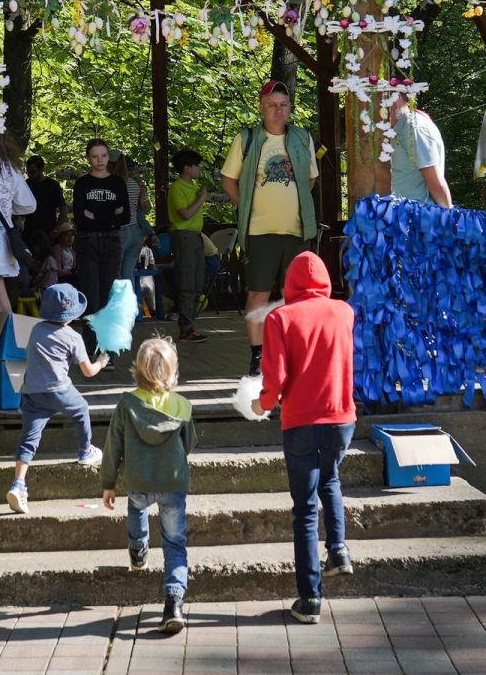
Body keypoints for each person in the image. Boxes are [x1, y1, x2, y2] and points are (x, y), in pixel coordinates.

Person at [250, 251, 357, 626]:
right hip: (342, 417)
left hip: (301, 422)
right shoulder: (345, 312)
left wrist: (261, 404)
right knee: (331, 480)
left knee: (305, 511)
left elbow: (276, 378)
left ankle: (310, 598)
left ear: (289, 284)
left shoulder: (279, 318)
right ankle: (340, 550)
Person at [220, 79, 319, 378]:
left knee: (295, 297)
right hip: (260, 232)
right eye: (273, 105)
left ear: (290, 109)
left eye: (284, 105)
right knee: (259, 295)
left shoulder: (302, 138)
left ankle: (291, 353)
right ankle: (257, 356)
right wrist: (247, 206)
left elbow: (310, 179)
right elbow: (228, 180)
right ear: (262, 108)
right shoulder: (248, 139)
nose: (279, 111)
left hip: (297, 231)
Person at [101, 337, 197, 634]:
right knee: (174, 544)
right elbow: (189, 443)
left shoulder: (127, 404)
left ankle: (138, 546)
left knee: (136, 508)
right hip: (172, 481)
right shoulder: (183, 405)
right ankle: (173, 603)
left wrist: (108, 482)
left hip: (138, 479)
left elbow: (112, 445)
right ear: (173, 371)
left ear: (138, 370)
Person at [6, 283, 109, 516]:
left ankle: (18, 484)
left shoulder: (36, 330)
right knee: (81, 409)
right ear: (73, 315)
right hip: (59, 390)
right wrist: (102, 361)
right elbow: (88, 372)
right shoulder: (73, 337)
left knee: (28, 441)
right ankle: (85, 451)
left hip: (31, 393)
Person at [0, 116, 36, 335]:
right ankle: (10, 350)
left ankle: (5, 350)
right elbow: (29, 205)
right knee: (0, 302)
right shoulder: (9, 169)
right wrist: (6, 210)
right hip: (2, 242)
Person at [72, 138, 128, 356]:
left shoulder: (117, 183)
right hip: (87, 241)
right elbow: (79, 216)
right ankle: (88, 348)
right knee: (90, 296)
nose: (100, 160)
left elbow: (125, 216)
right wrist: (109, 215)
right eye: (95, 156)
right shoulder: (82, 184)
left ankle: (106, 348)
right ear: (88, 158)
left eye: (103, 155)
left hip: (112, 241)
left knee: (107, 296)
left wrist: (95, 215)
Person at [167, 148, 210, 344]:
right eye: (196, 165)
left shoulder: (193, 186)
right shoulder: (177, 188)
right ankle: (185, 329)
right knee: (187, 283)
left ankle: (190, 325)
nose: (199, 169)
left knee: (196, 283)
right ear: (187, 168)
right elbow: (184, 214)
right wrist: (201, 199)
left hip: (195, 236)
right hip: (184, 236)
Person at [389, 96, 452, 208]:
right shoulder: (397, 128)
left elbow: (437, 185)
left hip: (417, 219)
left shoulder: (414, 126)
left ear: (395, 95)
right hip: (398, 218)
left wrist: (449, 220)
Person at [114, 153, 152, 282]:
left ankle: (117, 302)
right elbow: (146, 209)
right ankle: (130, 301)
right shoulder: (136, 185)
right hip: (136, 231)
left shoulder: (112, 184)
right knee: (128, 274)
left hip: (120, 230)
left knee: (115, 274)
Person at [22, 155, 67, 256]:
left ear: (41, 169)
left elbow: (63, 212)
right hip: (29, 232)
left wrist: (54, 232)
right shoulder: (26, 184)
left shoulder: (52, 185)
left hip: (48, 232)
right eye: (28, 172)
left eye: (33, 172)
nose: (30, 175)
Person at [34, 225, 76, 293]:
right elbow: (58, 270)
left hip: (69, 276)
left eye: (72, 235)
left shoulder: (72, 252)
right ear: (59, 237)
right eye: (66, 235)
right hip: (61, 278)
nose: (70, 238)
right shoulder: (58, 248)